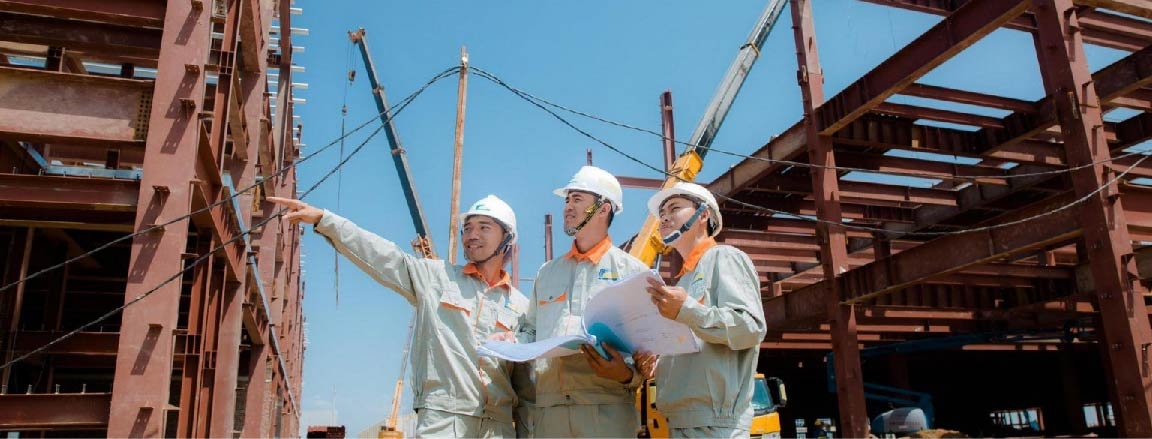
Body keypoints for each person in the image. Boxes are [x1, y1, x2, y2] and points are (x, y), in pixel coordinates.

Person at [268, 195, 529, 438]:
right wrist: (326, 220)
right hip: (444, 420)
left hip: (499, 428)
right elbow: (383, 255)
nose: (472, 235)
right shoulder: (436, 278)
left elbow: (528, 386)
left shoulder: (522, 307)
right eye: (468, 228)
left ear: (507, 237)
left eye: (484, 227)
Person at [515, 165, 650, 437]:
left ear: (603, 209)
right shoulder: (547, 273)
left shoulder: (633, 273)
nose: (567, 207)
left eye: (577, 199)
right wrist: (512, 340)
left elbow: (648, 347)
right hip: (550, 414)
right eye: (567, 200)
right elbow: (530, 329)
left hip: (606, 410)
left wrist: (626, 374)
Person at [637, 181, 767, 438]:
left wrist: (687, 310)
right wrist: (658, 365)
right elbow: (695, 348)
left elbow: (750, 328)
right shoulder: (683, 281)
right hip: (678, 423)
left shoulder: (724, 257)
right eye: (662, 213)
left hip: (716, 425)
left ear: (703, 214)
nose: (664, 217)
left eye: (674, 208)